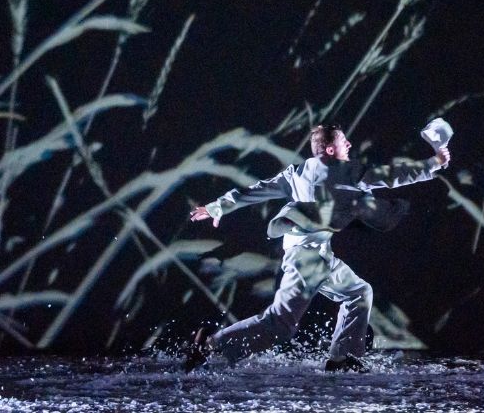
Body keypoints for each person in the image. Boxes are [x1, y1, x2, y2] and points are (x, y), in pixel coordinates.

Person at [183, 124, 450, 372]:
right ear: (331, 150)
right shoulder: (348, 172)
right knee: (280, 324)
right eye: (344, 142)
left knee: (358, 292)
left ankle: (342, 357)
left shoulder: (296, 173)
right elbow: (392, 175)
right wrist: (435, 162)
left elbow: (255, 190)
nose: (349, 144)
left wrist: (217, 207)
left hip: (319, 253)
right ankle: (210, 344)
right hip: (306, 259)